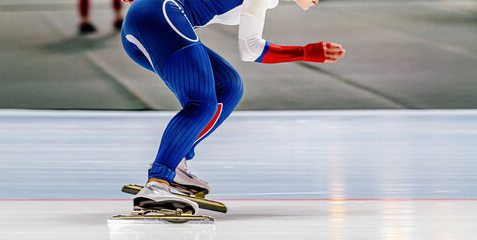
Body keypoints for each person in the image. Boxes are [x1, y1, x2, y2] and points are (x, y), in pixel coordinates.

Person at [120, 0, 345, 214]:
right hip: (157, 16)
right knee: (202, 104)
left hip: (152, 19)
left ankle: (175, 161)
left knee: (229, 86)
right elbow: (251, 50)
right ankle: (156, 186)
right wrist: (305, 52)